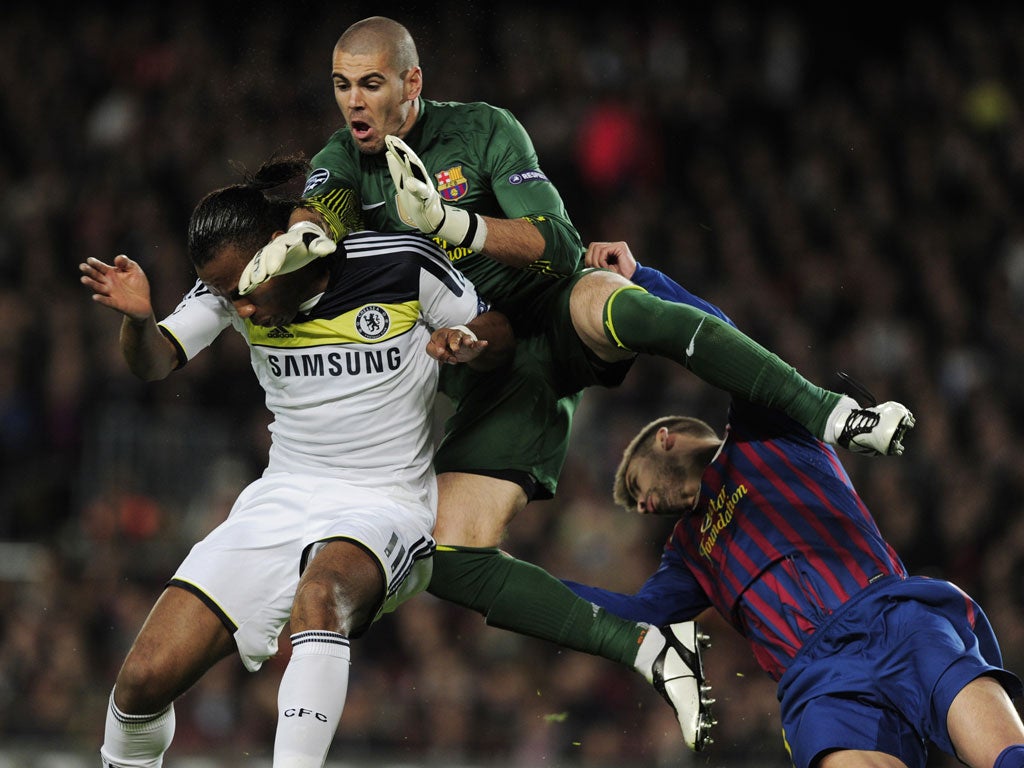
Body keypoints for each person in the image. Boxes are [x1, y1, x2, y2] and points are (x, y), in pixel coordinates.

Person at [235, 15, 916, 751]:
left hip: (551, 305)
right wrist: (301, 237)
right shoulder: (343, 156)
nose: (355, 103)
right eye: (342, 86)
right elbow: (321, 208)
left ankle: (835, 414)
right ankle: (647, 650)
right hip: (491, 370)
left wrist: (455, 225)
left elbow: (557, 243)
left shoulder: (487, 131)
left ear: (412, 82)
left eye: (371, 84)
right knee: (447, 556)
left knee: (622, 304)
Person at [78, 156, 514, 768]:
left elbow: (496, 326)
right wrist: (139, 321)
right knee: (141, 682)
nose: (242, 310)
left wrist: (470, 343)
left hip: (382, 499)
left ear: (283, 250)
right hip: (281, 496)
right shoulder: (230, 291)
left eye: (246, 292)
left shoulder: (399, 264)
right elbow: (153, 361)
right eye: (229, 298)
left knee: (321, 598)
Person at [560, 241, 1024, 768]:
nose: (643, 506)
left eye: (638, 486)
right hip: (819, 682)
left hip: (893, 616)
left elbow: (721, 338)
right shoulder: (687, 553)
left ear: (665, 438)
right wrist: (503, 580)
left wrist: (644, 278)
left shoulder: (765, 428)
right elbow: (635, 615)